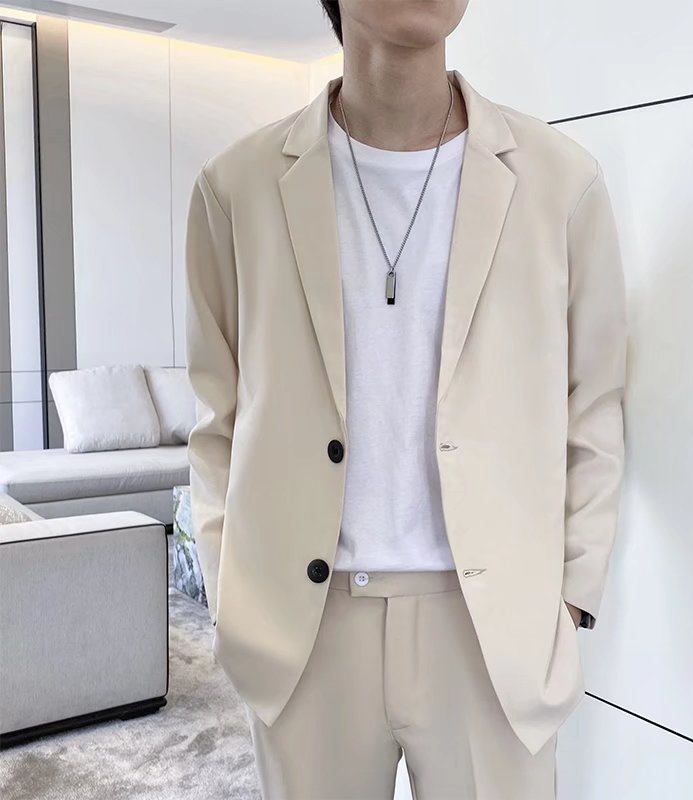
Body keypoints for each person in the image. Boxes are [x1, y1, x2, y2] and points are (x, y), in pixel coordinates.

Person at [184, 0, 628, 797]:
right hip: (304, 628)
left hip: (494, 632)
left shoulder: (561, 182)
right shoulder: (236, 188)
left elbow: (594, 407)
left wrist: (570, 599)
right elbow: (217, 421)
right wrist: (232, 596)